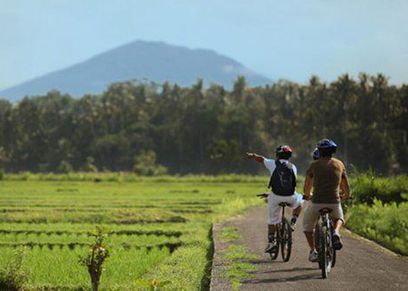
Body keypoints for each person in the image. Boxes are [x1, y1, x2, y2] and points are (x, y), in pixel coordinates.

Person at [247, 145, 303, 253]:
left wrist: (253, 155)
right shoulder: (293, 167)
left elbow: (261, 159)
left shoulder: (272, 163)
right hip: (291, 197)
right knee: (300, 201)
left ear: (277, 155)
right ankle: (293, 221)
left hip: (276, 197)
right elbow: (293, 184)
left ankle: (271, 243)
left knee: (272, 220)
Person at [303, 138, 351, 262]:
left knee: (307, 227)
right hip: (334, 202)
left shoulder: (314, 165)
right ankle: (336, 232)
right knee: (339, 217)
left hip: (316, 202)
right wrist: (346, 195)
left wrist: (307, 195)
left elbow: (307, 185)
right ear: (333, 151)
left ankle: (313, 251)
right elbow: (345, 184)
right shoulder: (339, 164)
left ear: (319, 151)